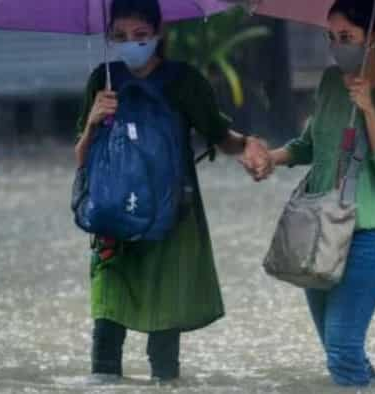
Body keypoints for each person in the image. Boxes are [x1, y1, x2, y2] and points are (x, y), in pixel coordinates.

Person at [74, 0, 270, 384]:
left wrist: (247, 145)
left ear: (158, 33)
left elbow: (219, 136)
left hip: (171, 220)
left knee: (163, 350)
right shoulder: (103, 79)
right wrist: (93, 122)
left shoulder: (185, 82)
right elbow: (81, 157)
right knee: (106, 335)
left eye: (140, 35)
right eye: (120, 36)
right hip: (113, 220)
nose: (130, 43)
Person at [242, 0, 375, 387]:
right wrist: (271, 158)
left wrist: (370, 110)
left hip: (368, 239)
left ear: (373, 36)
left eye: (346, 37)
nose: (337, 46)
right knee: (339, 350)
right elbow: (310, 144)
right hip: (320, 233)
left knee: (342, 348)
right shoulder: (328, 82)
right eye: (331, 36)